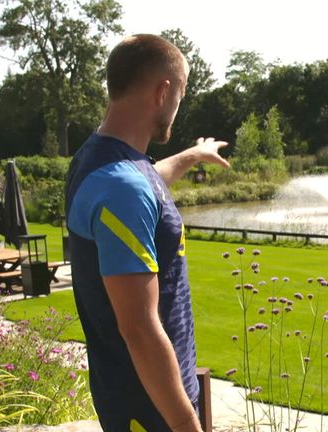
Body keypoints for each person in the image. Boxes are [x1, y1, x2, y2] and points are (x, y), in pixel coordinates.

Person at [65, 34, 229, 432]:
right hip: (150, 410)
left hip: (142, 399)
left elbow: (149, 180)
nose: (178, 107)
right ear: (163, 90)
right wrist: (188, 426)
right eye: (182, 94)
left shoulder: (102, 161)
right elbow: (138, 329)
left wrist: (194, 155)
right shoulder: (122, 188)